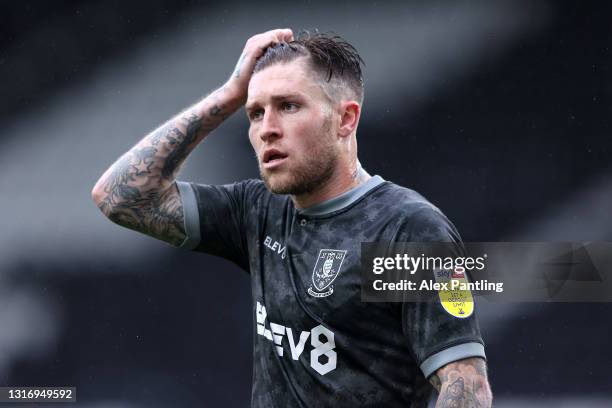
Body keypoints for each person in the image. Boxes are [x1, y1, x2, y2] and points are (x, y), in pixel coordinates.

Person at [92, 28, 492, 407]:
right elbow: (121, 197)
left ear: (345, 119)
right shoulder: (258, 210)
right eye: (254, 113)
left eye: (288, 106)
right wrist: (228, 96)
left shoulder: (408, 230)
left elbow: (466, 384)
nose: (267, 129)